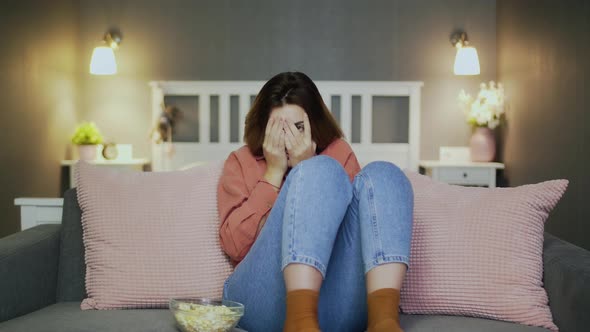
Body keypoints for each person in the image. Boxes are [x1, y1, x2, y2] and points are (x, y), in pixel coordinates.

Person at [218, 72, 414, 332]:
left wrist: (307, 169)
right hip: (261, 299)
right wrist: (274, 176)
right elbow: (235, 247)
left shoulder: (339, 153)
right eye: (278, 129)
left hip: (335, 299)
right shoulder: (240, 161)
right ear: (263, 128)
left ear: (314, 125)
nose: (289, 141)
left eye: (298, 128)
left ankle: (384, 322)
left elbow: (352, 243)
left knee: (386, 174)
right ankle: (299, 322)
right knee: (318, 171)